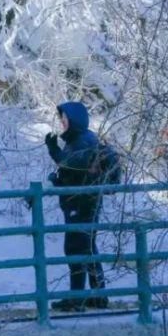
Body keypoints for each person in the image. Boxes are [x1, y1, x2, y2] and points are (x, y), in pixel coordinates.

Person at [44, 101, 109, 312]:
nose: (62, 121)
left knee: (76, 249)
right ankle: (98, 296)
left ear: (75, 120)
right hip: (81, 204)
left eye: (65, 117)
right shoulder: (79, 141)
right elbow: (73, 170)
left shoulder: (83, 141)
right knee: (87, 248)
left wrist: (54, 150)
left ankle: (78, 298)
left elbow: (71, 163)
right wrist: (58, 180)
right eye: (61, 117)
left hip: (82, 205)